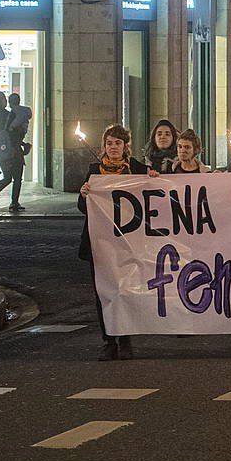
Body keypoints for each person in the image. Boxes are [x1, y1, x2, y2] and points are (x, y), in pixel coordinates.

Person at [78, 124, 158, 360]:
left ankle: (125, 339)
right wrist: (84, 195)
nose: (113, 147)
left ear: (125, 146)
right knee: (103, 291)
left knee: (124, 290)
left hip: (127, 243)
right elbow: (84, 208)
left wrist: (152, 177)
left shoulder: (135, 169)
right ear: (104, 146)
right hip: (100, 243)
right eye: (110, 143)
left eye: (118, 143)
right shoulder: (95, 171)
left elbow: (153, 192)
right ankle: (109, 341)